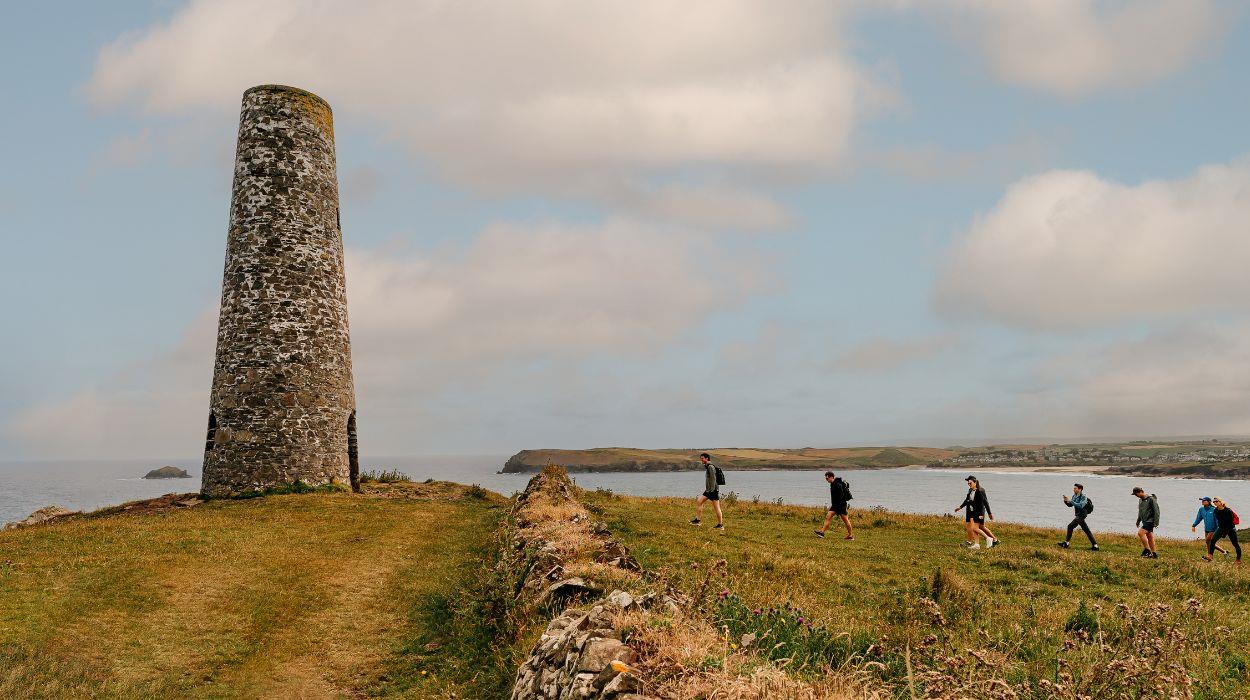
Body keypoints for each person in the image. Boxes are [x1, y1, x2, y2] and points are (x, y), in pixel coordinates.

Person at [954, 475, 998, 549]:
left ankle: (988, 538)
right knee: (976, 528)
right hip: (974, 512)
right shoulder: (970, 490)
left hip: (980, 512)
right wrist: (960, 507)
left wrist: (989, 513)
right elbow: (967, 500)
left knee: (975, 528)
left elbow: (986, 502)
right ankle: (977, 544)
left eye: (970, 483)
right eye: (968, 483)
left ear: (975, 482)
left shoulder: (980, 491)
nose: (969, 484)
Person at [814, 471, 854, 540]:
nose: (826, 480)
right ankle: (822, 533)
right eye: (826, 478)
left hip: (841, 505)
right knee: (827, 517)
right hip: (835, 505)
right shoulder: (832, 484)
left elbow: (841, 496)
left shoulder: (838, 484)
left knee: (846, 520)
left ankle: (850, 535)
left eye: (827, 478)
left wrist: (839, 507)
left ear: (831, 477)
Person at [690, 452, 724, 531]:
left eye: (702, 458)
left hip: (713, 491)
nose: (701, 460)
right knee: (699, 501)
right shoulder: (708, 466)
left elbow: (713, 479)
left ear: (707, 459)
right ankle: (697, 521)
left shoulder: (710, 467)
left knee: (717, 508)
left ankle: (720, 525)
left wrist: (711, 491)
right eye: (701, 458)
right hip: (709, 490)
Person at [1058, 483, 1098, 550]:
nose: (1073, 489)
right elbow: (1070, 505)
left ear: (1080, 489)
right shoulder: (1074, 496)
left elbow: (1080, 505)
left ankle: (1066, 543)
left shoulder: (1083, 497)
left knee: (1071, 526)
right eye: (1074, 488)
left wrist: (1070, 501)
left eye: (1075, 488)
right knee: (1085, 530)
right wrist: (1066, 501)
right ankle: (1095, 546)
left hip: (1082, 515)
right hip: (1078, 515)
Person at [1204, 497, 1241, 564]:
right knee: (1212, 540)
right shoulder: (1216, 510)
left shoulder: (1228, 511)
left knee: (1235, 544)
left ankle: (1238, 559)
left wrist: (1225, 533)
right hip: (1221, 528)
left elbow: (1230, 523)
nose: (1215, 502)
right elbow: (1219, 521)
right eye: (1214, 502)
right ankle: (1210, 555)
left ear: (1221, 502)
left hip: (1230, 528)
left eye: (1217, 501)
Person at [1132, 486, 1160, 558]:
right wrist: (1138, 521)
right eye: (1135, 495)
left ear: (1141, 492)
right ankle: (1154, 554)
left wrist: (1156, 522)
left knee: (1140, 533)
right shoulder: (1140, 500)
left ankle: (1147, 550)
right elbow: (1140, 511)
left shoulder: (1151, 499)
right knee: (1149, 536)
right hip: (1145, 521)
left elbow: (1156, 511)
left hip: (1150, 521)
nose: (1136, 496)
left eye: (1136, 494)